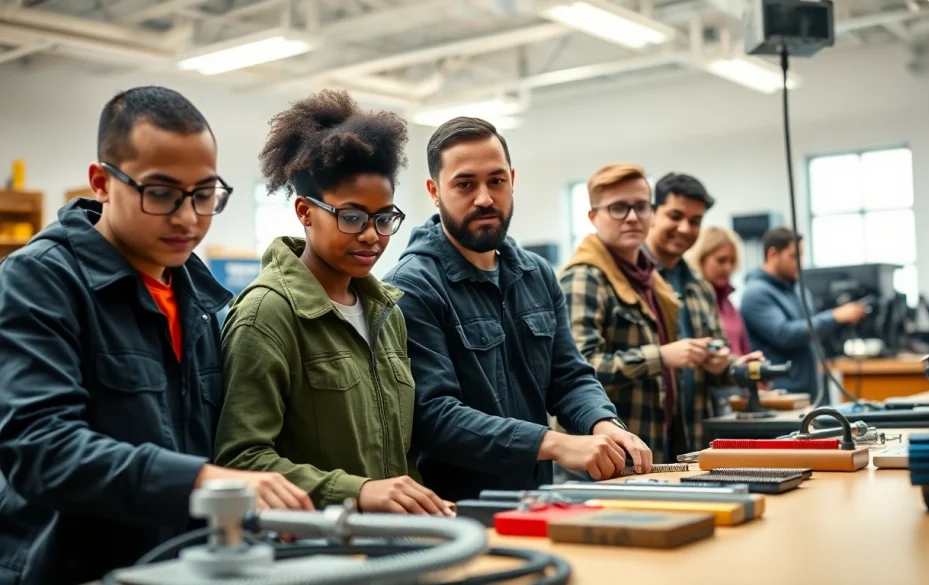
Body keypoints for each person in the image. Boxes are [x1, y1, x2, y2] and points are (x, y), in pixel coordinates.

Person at [0, 86, 309, 585]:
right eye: (160, 193)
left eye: (205, 195)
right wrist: (202, 481)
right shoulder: (40, 281)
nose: (188, 218)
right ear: (101, 182)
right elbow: (41, 449)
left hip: (182, 567)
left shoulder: (198, 296)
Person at [383, 117, 653, 502]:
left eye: (496, 181)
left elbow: (569, 375)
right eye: (464, 184)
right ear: (434, 191)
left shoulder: (536, 275)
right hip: (460, 513)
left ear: (512, 179)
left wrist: (601, 421)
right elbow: (433, 416)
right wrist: (553, 443)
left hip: (538, 498)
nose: (484, 198)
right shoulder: (412, 286)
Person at [213, 90, 451, 516]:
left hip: (389, 542)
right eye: (352, 216)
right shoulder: (267, 314)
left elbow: (394, 452)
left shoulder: (386, 311)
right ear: (305, 211)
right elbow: (240, 459)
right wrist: (357, 491)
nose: (371, 235)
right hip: (314, 551)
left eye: (384, 219)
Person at [560, 163, 714, 463]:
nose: (632, 218)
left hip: (660, 442)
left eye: (641, 207)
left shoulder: (650, 277)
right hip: (609, 458)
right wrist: (663, 357)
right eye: (618, 208)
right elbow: (578, 371)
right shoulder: (585, 277)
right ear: (593, 217)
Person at [644, 172, 764, 446]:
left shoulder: (700, 287)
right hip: (638, 441)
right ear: (652, 214)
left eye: (694, 221)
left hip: (690, 440)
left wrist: (733, 365)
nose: (685, 228)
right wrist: (663, 357)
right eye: (675, 216)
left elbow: (717, 356)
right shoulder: (631, 279)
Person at [740, 227, 868, 398]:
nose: (800, 263)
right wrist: (834, 316)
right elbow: (784, 334)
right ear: (772, 255)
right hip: (780, 394)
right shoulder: (755, 293)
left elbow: (810, 330)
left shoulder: (799, 290)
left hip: (808, 391)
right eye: (794, 256)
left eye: (801, 256)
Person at [684, 225, 752, 356]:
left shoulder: (729, 303)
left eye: (732, 261)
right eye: (721, 260)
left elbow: (744, 349)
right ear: (701, 258)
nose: (727, 268)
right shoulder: (692, 299)